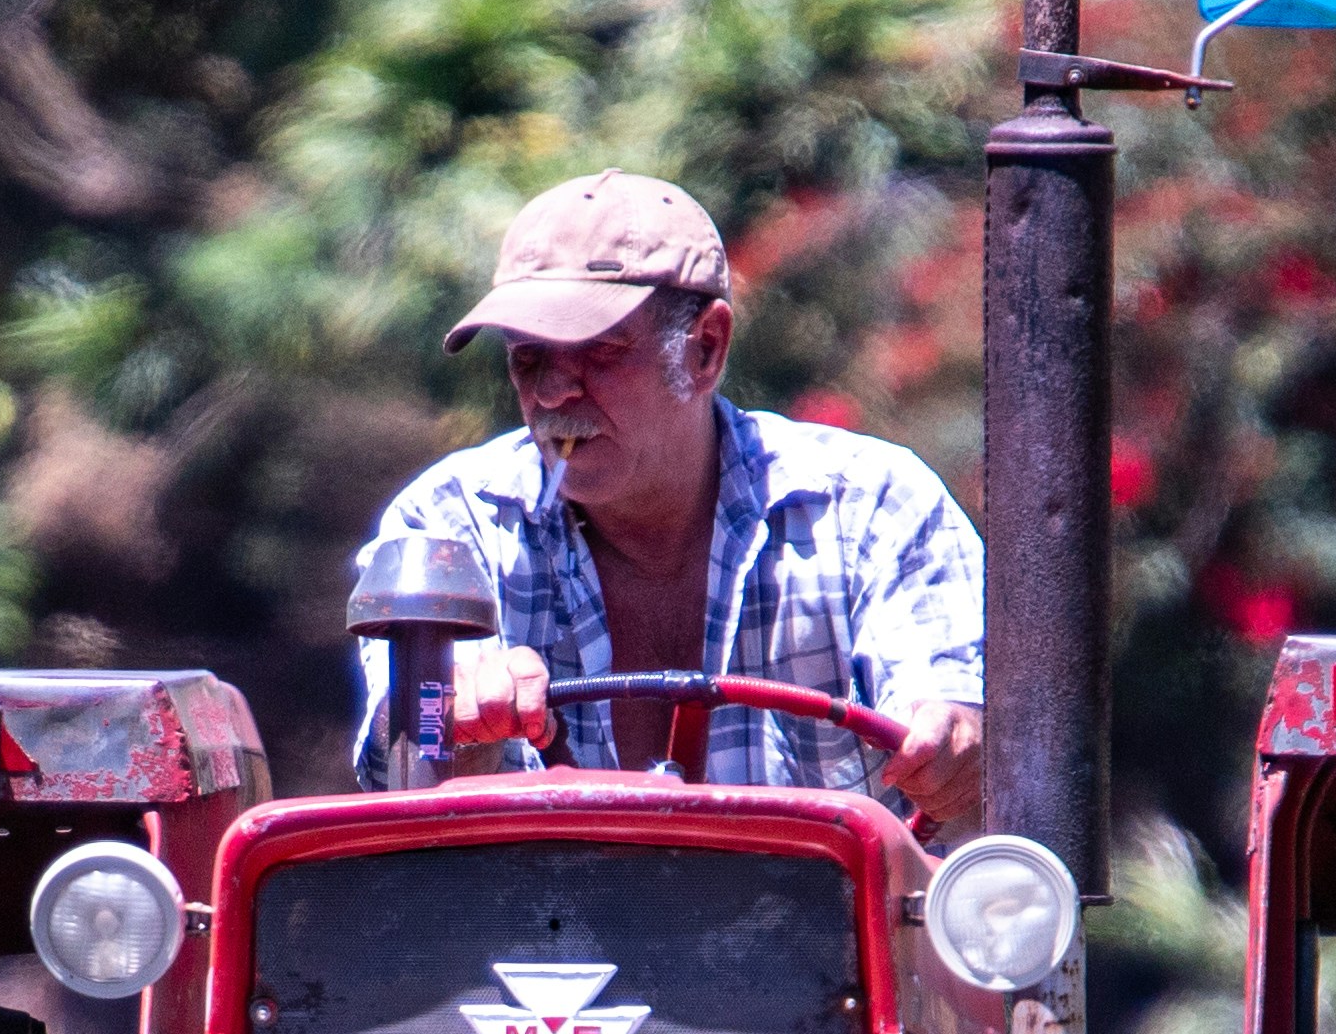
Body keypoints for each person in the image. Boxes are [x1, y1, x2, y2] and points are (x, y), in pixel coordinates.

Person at [351, 169, 987, 827]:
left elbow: (948, 707)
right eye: (528, 359)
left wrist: (951, 736)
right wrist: (454, 723)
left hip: (833, 929)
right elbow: (409, 783)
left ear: (706, 349)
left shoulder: (875, 507)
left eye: (597, 351)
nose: (550, 394)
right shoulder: (445, 529)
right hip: (534, 930)